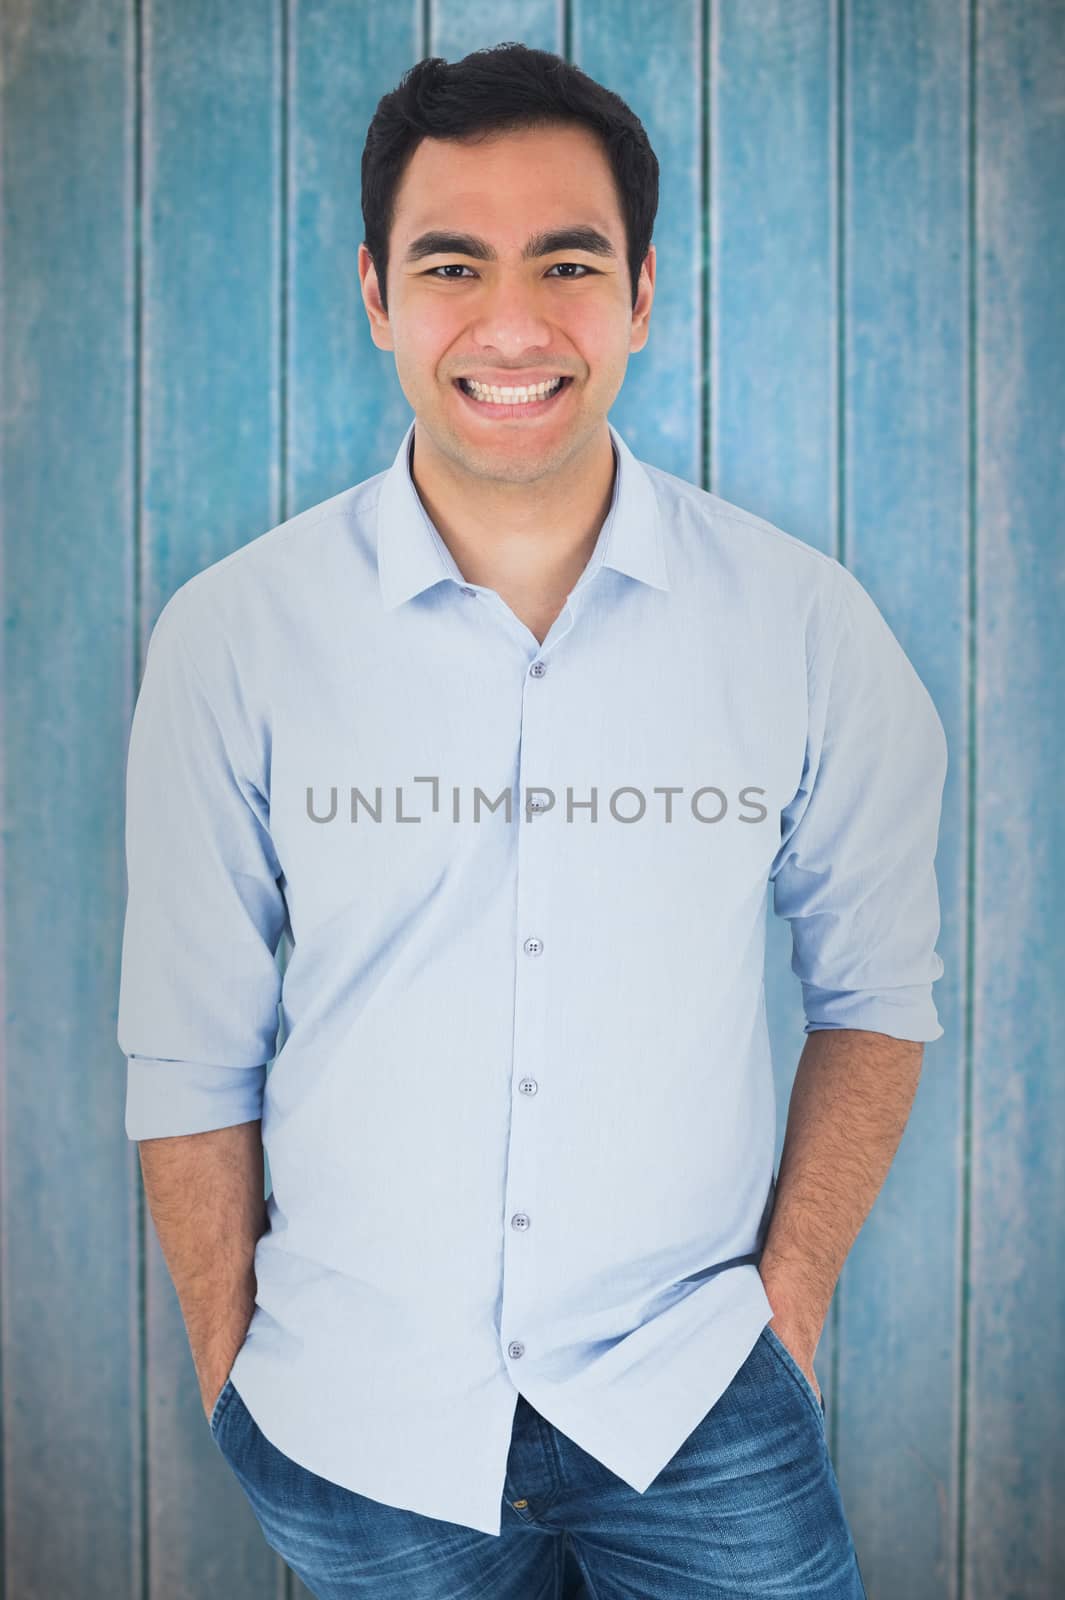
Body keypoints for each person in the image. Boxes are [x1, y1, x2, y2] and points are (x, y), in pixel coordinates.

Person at [118, 40, 947, 1600]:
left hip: (697, 1405)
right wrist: (231, 1369)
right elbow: (187, 1041)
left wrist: (787, 1313)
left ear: (641, 292)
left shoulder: (808, 628)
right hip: (354, 1425)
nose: (510, 324)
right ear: (375, 293)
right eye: (451, 264)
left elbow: (874, 995)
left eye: (566, 262)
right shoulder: (233, 636)